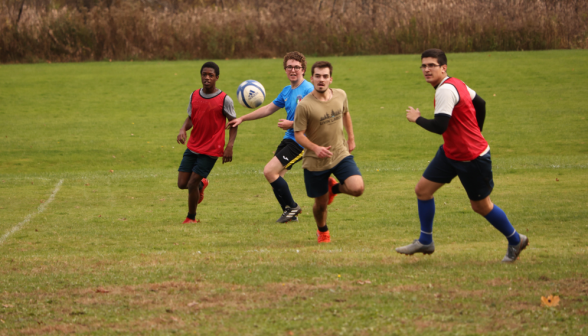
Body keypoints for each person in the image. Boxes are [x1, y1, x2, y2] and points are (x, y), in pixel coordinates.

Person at [396, 48, 528, 262]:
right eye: (424, 65)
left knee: (481, 206)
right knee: (422, 190)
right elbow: (480, 103)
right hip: (451, 152)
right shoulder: (457, 83)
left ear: (443, 67)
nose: (427, 69)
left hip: (471, 158)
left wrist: (416, 119)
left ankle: (515, 240)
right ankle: (426, 240)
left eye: (432, 65)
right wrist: (475, 131)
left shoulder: (445, 90)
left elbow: (440, 125)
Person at [227, 51, 313, 223]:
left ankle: (292, 207)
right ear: (285, 69)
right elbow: (268, 109)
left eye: (297, 67)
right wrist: (243, 118)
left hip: (301, 141)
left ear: (303, 69)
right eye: (289, 67)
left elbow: (315, 119)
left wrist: (292, 124)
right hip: (290, 138)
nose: (293, 70)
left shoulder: (309, 90)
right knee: (275, 176)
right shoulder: (287, 91)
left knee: (269, 171)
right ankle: (289, 214)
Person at [293, 61, 364, 243]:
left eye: (325, 76)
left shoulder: (340, 95)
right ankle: (322, 230)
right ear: (311, 78)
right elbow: (298, 134)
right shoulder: (304, 105)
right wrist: (315, 148)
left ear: (330, 79)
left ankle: (334, 188)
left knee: (357, 188)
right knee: (321, 205)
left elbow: (346, 113)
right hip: (315, 161)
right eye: (317, 76)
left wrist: (351, 138)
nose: (321, 80)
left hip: (339, 153)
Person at [176, 61, 238, 224]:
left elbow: (234, 123)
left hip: (212, 148)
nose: (207, 78)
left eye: (211, 75)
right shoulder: (194, 95)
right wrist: (183, 129)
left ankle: (191, 218)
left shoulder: (225, 99)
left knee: (191, 183)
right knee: (182, 184)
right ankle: (202, 185)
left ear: (217, 77)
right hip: (194, 145)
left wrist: (229, 145)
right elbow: (191, 118)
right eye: (204, 74)